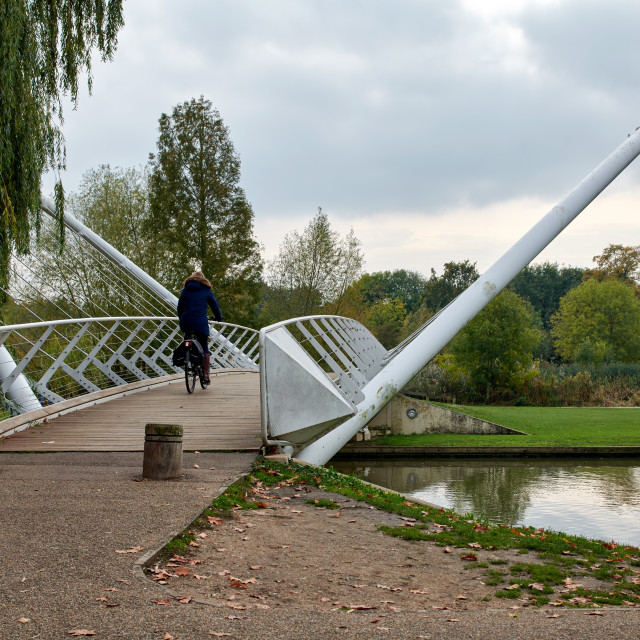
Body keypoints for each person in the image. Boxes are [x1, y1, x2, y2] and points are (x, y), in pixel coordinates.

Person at [177, 271, 222, 385]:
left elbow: (179, 306)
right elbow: (214, 305)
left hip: (186, 322)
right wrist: (218, 317)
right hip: (200, 323)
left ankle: (188, 358)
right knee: (204, 347)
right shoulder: (206, 290)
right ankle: (205, 376)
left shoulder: (186, 290)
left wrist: (181, 317)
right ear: (202, 279)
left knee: (187, 340)